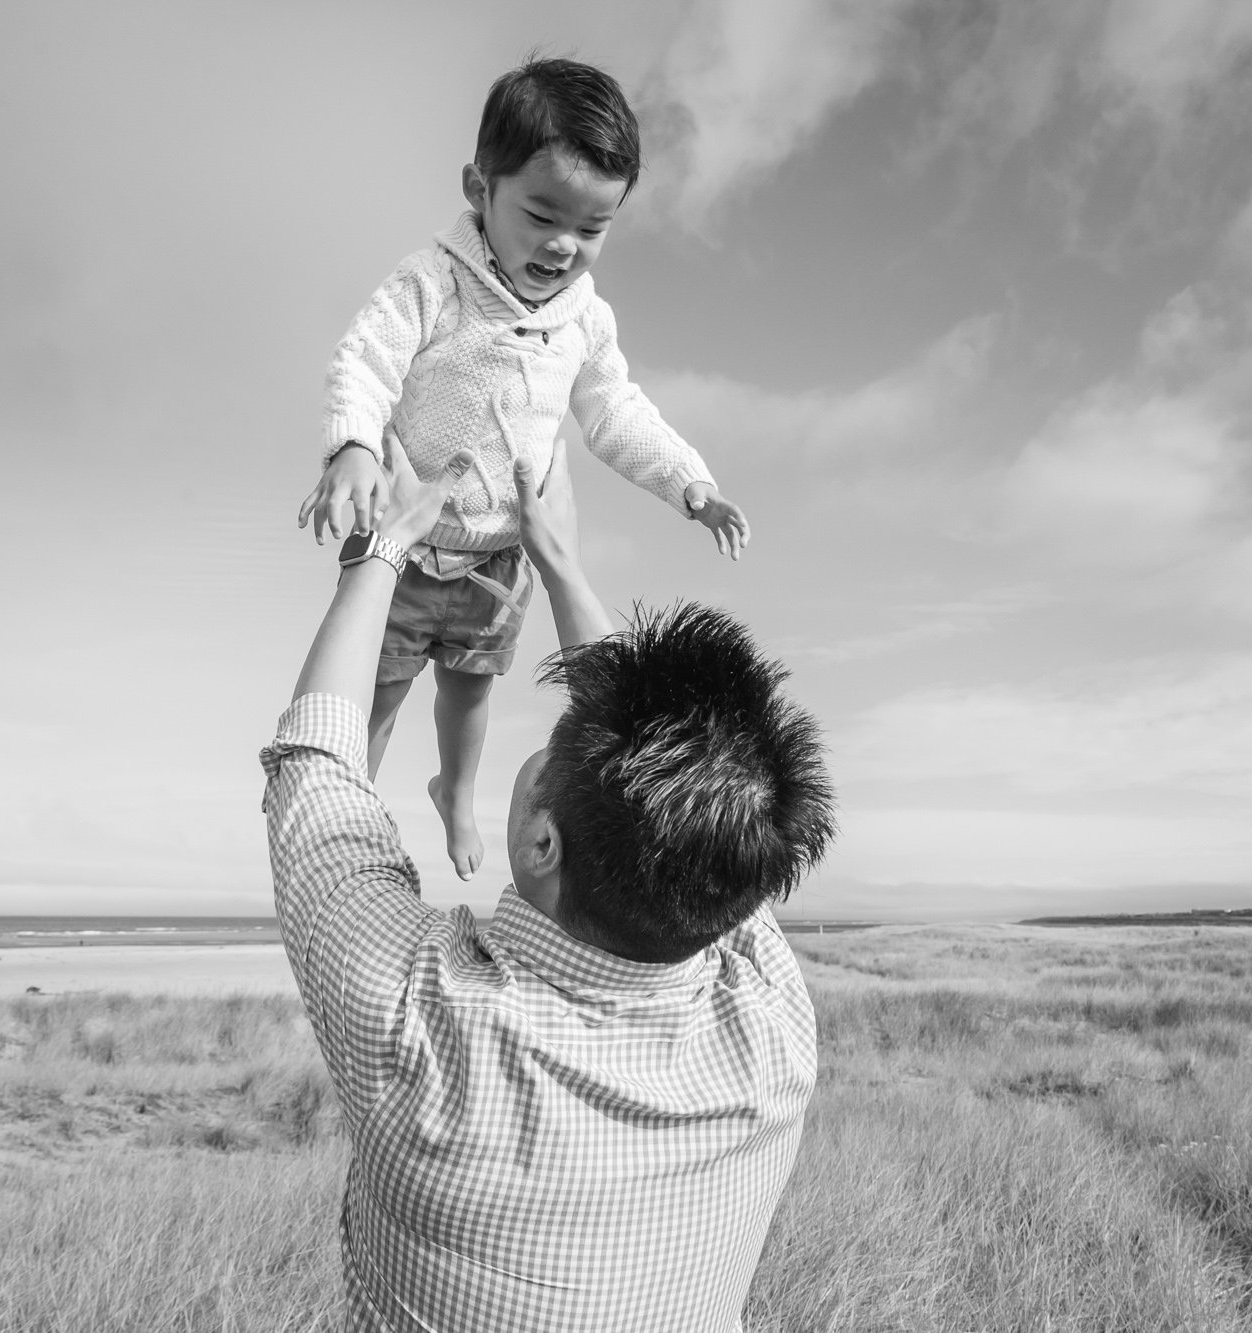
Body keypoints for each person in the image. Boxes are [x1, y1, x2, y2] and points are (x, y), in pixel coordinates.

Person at [262, 436, 836, 1331]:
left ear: (538, 842)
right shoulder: (774, 1028)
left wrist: (383, 550)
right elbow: (704, 810)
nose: (540, 752)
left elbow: (316, 773)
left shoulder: (422, 1037)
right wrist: (558, 560)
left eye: (547, 759)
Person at [296, 57, 750, 882]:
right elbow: (366, 361)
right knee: (381, 695)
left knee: (468, 697)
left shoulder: (586, 319)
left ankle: (455, 794)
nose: (563, 245)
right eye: (542, 214)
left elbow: (615, 412)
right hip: (405, 544)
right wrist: (355, 445)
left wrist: (691, 483)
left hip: (500, 559)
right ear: (479, 188)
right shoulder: (433, 282)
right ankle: (335, 801)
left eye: (593, 226)